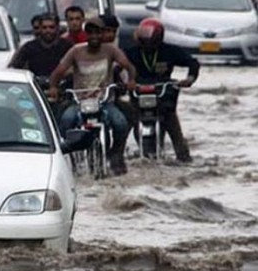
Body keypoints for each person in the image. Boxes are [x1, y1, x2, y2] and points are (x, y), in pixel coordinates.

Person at [49, 17, 137, 175]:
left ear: (103, 34)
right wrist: (54, 87)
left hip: (105, 102)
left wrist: (131, 80)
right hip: (80, 102)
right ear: (86, 34)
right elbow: (57, 72)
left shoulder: (111, 50)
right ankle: (71, 160)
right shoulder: (76, 51)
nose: (94, 36)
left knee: (121, 123)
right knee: (66, 120)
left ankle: (116, 154)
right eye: (90, 33)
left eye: (98, 33)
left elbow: (129, 67)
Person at [123, 18, 200, 163]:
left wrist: (189, 79)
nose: (147, 45)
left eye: (150, 41)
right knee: (126, 122)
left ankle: (183, 157)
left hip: (163, 95)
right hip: (138, 94)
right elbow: (117, 67)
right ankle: (117, 156)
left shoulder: (170, 51)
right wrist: (124, 83)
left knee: (173, 125)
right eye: (143, 41)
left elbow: (192, 63)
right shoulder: (131, 52)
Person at [8, 13, 72, 77]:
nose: (48, 30)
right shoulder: (28, 48)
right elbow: (14, 69)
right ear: (40, 29)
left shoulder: (67, 47)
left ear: (57, 28)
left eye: (51, 27)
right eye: (44, 27)